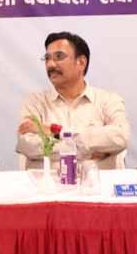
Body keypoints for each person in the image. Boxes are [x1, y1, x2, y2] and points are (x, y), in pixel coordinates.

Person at [16, 31, 130, 168]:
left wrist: (54, 132)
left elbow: (120, 137)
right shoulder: (35, 102)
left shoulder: (108, 100)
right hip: (48, 181)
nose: (50, 64)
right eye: (47, 58)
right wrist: (84, 150)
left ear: (81, 62)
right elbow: (27, 145)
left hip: (99, 181)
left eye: (59, 56)